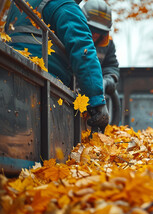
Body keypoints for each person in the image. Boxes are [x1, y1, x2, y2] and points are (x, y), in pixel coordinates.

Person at [5, 0, 109, 132]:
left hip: (8, 73)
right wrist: (97, 99)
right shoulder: (64, 5)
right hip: (44, 85)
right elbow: (83, 49)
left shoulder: (18, 5)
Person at [81, 0, 119, 97]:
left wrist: (109, 79)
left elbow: (110, 65)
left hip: (93, 94)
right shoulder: (71, 36)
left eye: (99, 31)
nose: (95, 34)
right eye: (91, 29)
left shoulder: (108, 44)